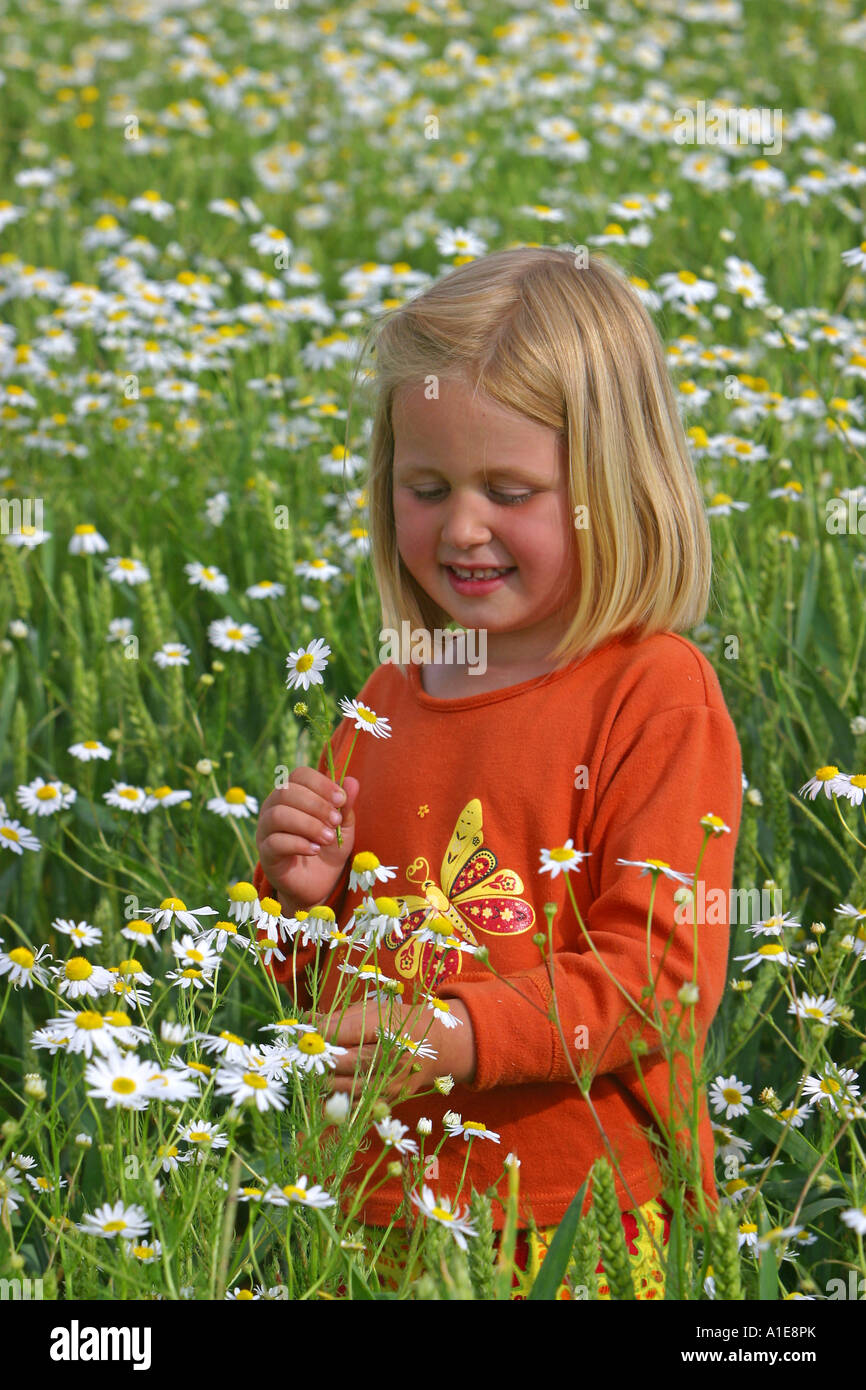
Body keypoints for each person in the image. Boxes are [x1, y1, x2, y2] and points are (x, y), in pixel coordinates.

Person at [253, 246, 743, 1299]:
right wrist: (297, 903)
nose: (461, 527)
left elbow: (658, 975)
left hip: (576, 1223)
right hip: (370, 1207)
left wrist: (460, 1032)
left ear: (609, 486)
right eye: (425, 487)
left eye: (507, 491)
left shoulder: (652, 692)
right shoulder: (389, 695)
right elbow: (326, 1002)